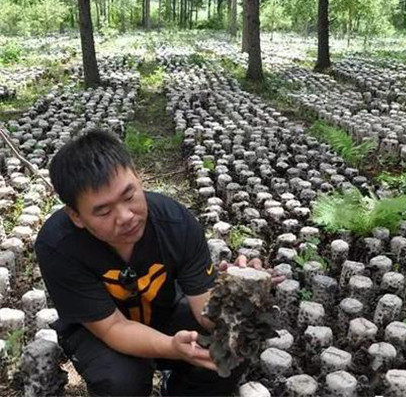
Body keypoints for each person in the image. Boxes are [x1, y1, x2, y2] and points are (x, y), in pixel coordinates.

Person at [34, 130, 271, 397]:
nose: (125, 217)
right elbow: (113, 328)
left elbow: (206, 312)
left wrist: (240, 293)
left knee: (229, 345)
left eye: (129, 196)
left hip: (162, 310)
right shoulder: (58, 246)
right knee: (121, 381)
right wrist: (172, 347)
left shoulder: (177, 223)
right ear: (76, 215)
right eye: (104, 211)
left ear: (137, 176)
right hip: (99, 329)